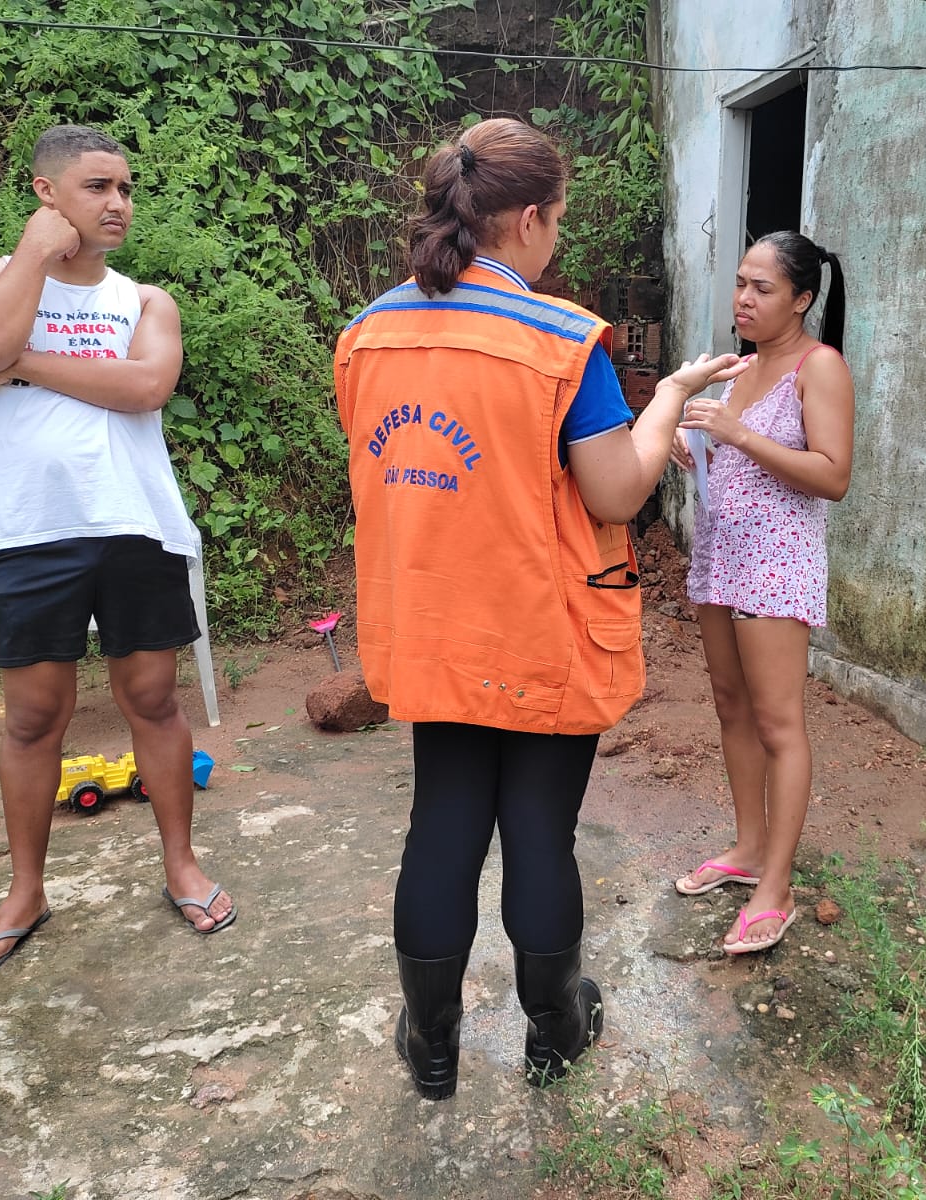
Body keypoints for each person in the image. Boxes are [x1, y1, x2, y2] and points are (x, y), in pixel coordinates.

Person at [334, 117, 745, 1100]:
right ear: (526, 220)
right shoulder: (561, 342)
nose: (554, 238)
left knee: (441, 823)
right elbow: (611, 492)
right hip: (538, 633)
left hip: (431, 627)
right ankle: (555, 1031)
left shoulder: (369, 335)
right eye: (555, 221)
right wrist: (668, 399)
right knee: (535, 832)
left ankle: (430, 1046)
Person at [0, 124, 235, 978]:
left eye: (126, 188)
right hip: (28, 530)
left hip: (134, 521)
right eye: (99, 187)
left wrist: (18, 365)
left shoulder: (145, 302)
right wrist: (31, 261)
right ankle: (25, 890)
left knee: (153, 698)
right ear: (46, 192)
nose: (119, 204)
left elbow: (146, 387)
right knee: (35, 717)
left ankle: (180, 865)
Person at [671, 231, 854, 955]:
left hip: (777, 567)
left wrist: (736, 434)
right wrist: (700, 453)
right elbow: (735, 460)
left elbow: (831, 475)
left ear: (802, 299)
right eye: (741, 284)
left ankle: (776, 885)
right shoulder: (738, 367)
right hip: (723, 558)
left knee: (780, 723)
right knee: (730, 705)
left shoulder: (820, 367)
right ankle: (747, 850)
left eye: (763, 288)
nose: (744, 299)